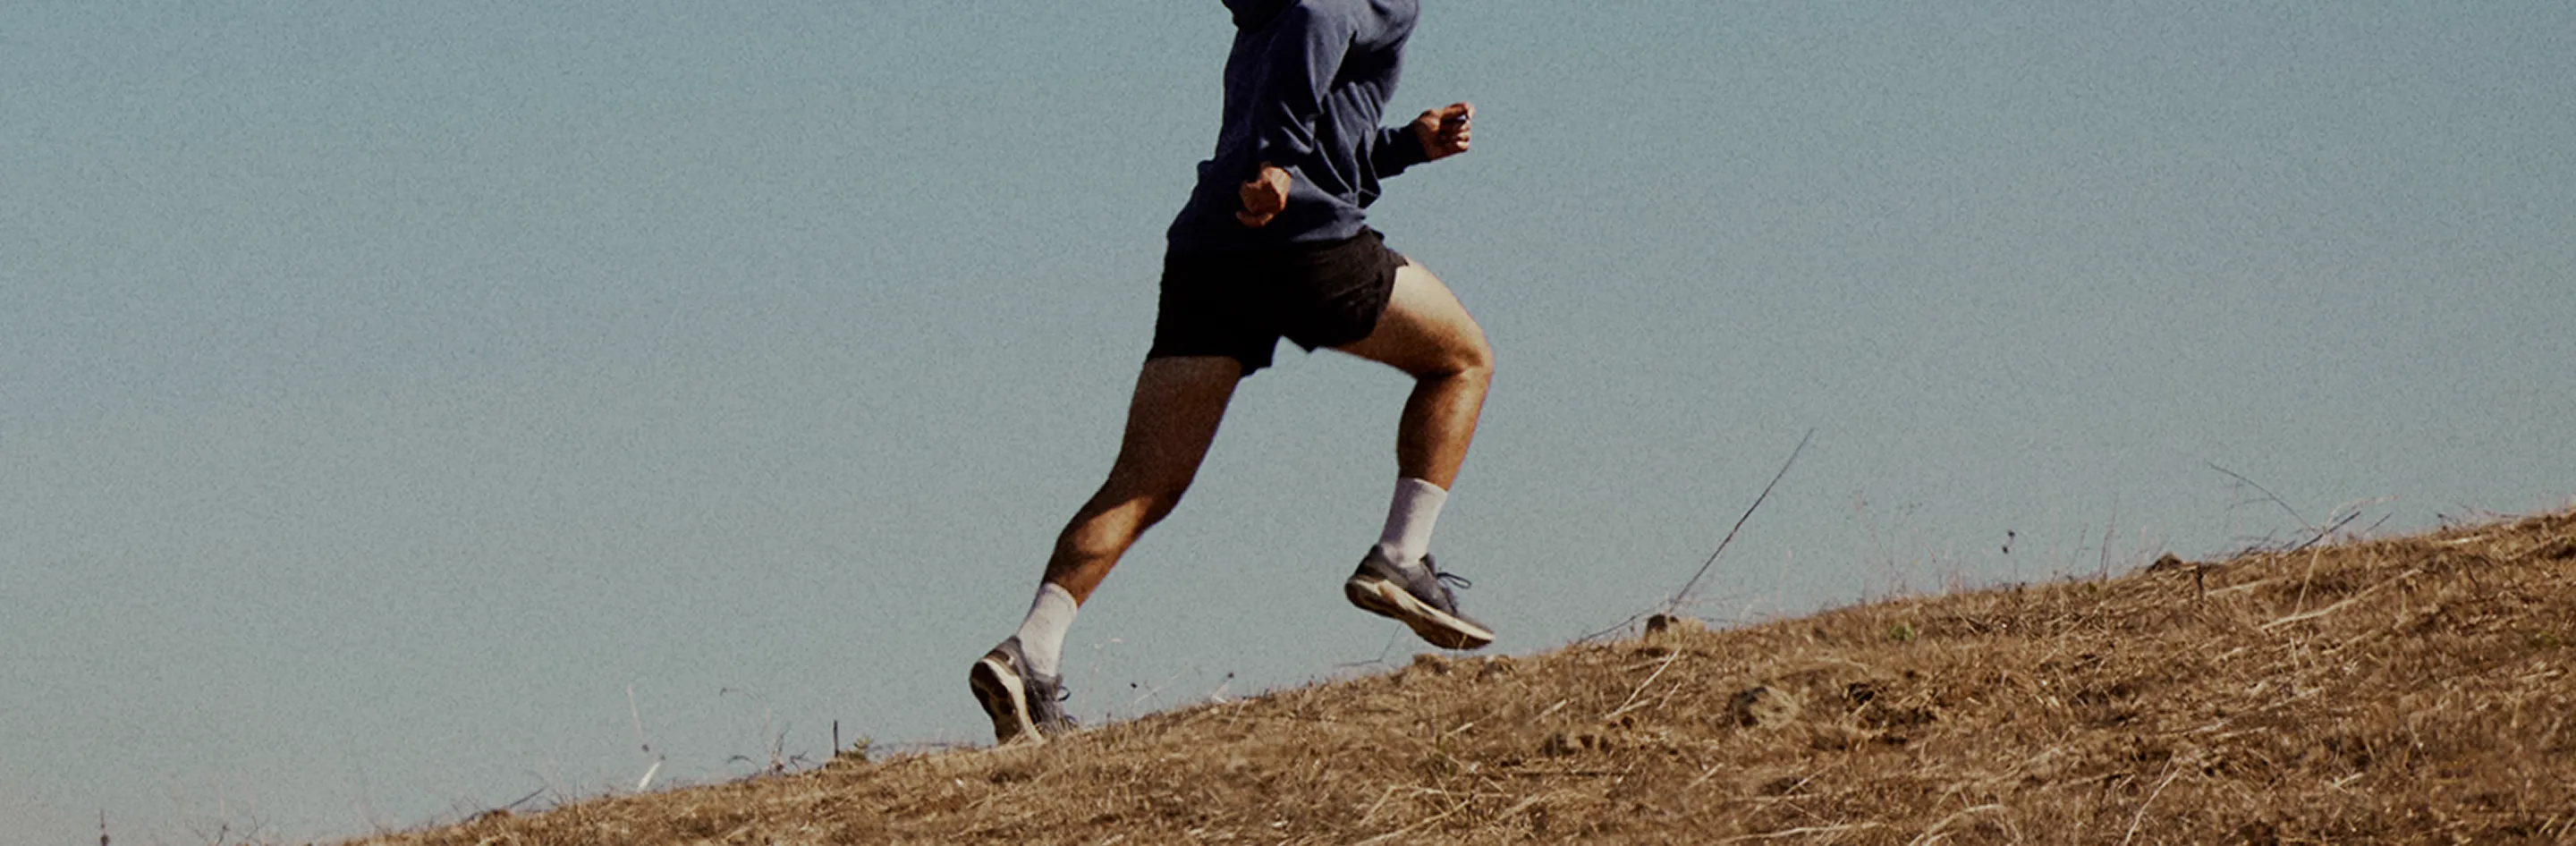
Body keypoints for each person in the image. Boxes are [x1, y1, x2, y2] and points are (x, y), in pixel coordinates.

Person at [970, 0, 1496, 745]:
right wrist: (1278, 162)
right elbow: (1320, 21)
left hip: (1210, 254)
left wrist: (1406, 147)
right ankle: (1402, 557)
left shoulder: (1264, 16)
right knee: (1463, 358)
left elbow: (1325, 142)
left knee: (1145, 479)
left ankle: (1031, 650)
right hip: (1299, 242)